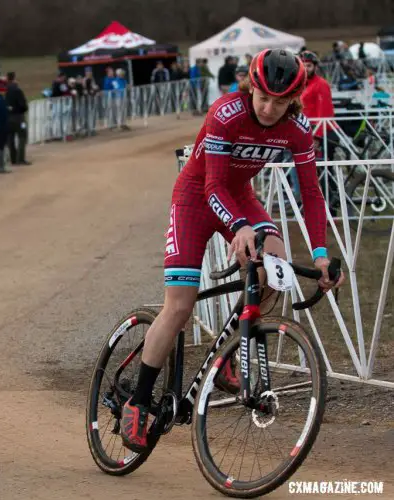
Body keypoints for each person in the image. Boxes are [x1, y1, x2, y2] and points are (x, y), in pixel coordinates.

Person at [119, 49, 345, 452]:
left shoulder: (297, 127)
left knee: (275, 266)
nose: (270, 108)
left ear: (293, 99)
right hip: (196, 197)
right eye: (263, 97)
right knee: (180, 306)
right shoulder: (227, 113)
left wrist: (322, 253)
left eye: (280, 102)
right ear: (251, 87)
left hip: (239, 197)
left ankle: (227, 359)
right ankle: (138, 401)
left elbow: (311, 193)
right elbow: (213, 186)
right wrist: (238, 227)